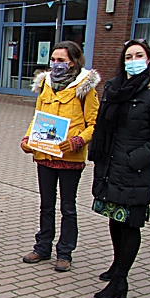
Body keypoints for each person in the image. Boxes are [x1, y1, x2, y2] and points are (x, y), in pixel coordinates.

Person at [89, 39, 150, 298]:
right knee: (115, 218)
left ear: (148, 59)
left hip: (134, 171)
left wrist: (134, 159)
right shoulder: (115, 89)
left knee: (130, 224)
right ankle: (117, 265)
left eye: (139, 55)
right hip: (111, 167)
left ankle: (120, 281)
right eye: (128, 56)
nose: (133, 60)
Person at [20, 41, 100, 272]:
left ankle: (64, 252)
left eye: (61, 60)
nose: (55, 64)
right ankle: (42, 247)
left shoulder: (85, 87)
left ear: (73, 62)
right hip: (45, 154)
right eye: (53, 60)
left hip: (70, 156)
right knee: (46, 204)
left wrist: (78, 141)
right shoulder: (45, 84)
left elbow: (94, 124)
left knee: (68, 207)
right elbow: (38, 117)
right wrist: (28, 139)